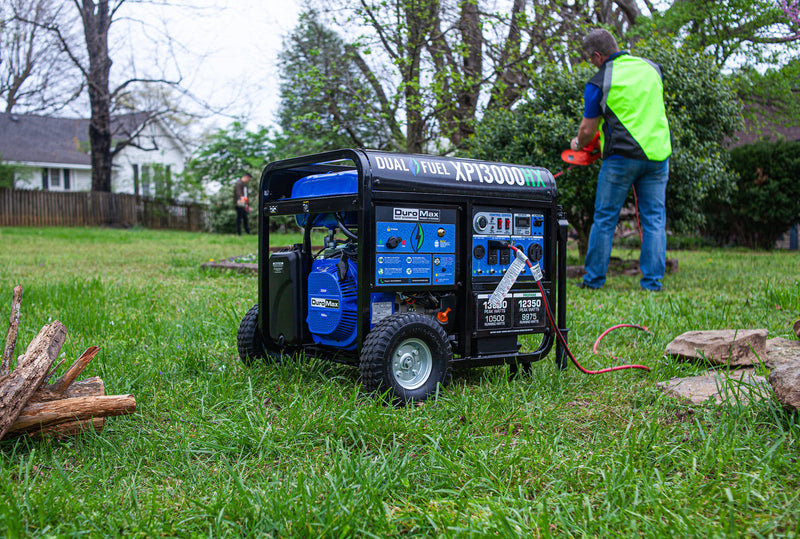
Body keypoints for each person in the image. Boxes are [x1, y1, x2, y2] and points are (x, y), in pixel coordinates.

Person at [570, 28, 672, 292]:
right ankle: (652, 283)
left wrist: (578, 144)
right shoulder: (652, 68)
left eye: (589, 58)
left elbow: (587, 131)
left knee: (604, 219)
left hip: (621, 159)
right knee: (654, 220)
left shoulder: (599, 81)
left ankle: (593, 281)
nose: (590, 63)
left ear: (597, 55)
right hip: (658, 155)